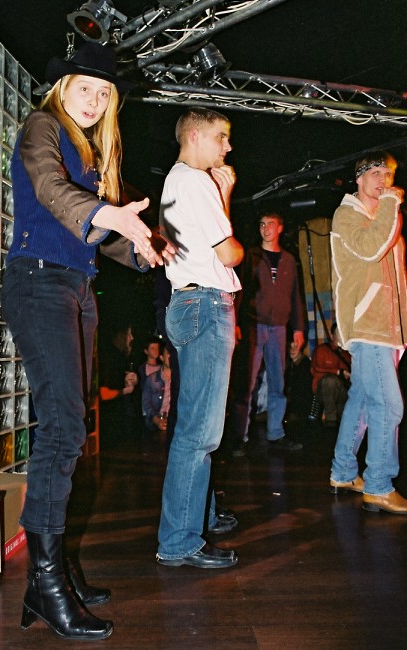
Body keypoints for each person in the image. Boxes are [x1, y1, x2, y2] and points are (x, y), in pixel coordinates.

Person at [0, 42, 174, 640]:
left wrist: (144, 248)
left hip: (75, 289)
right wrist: (112, 215)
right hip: (38, 283)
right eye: (85, 89)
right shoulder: (42, 127)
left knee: (71, 429)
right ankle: (46, 582)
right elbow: (51, 190)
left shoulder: (92, 153)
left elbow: (101, 231)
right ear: (61, 89)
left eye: (105, 94)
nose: (96, 101)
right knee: (62, 429)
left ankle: (58, 570)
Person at [156, 107, 244, 569]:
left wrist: (222, 193)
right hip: (206, 303)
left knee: (194, 422)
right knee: (200, 432)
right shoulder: (195, 181)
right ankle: (179, 541)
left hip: (188, 301)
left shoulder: (178, 181)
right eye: (220, 137)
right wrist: (223, 194)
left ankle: (201, 515)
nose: (227, 146)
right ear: (194, 135)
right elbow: (229, 253)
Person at [329, 151, 407, 515]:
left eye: (388, 174)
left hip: (387, 328)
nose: (383, 180)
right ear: (358, 178)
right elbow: (371, 249)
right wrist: (391, 204)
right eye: (375, 172)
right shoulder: (347, 215)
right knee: (388, 406)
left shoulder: (384, 217)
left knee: (361, 400)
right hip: (368, 325)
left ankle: (343, 471)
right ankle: (378, 485)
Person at [232, 212, 305, 456]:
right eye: (262, 224)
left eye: (270, 224)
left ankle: (276, 433)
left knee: (278, 383)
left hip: (279, 328)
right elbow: (240, 289)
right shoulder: (250, 256)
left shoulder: (289, 260)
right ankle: (240, 436)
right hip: (254, 326)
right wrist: (236, 322)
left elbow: (295, 295)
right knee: (247, 382)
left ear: (280, 228)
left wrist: (298, 329)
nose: (265, 229)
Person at [311, 322, 351, 428]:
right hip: (323, 392)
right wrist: (338, 372)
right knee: (330, 380)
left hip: (342, 392)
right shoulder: (321, 350)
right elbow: (316, 368)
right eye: (339, 333)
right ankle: (330, 420)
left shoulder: (348, 354)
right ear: (332, 335)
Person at [142, 343, 171, 431]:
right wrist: (156, 420)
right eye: (169, 353)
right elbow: (146, 404)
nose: (172, 356)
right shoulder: (152, 379)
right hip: (158, 421)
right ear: (162, 357)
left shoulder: (182, 379)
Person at [284, 340, 313, 424]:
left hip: (300, 409)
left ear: (301, 349)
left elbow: (302, 390)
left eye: (295, 347)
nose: (292, 350)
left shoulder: (305, 365)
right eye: (290, 347)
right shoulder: (288, 364)